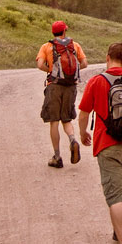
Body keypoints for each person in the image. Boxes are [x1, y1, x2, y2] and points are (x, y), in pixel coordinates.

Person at [78, 42, 122, 244]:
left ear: (107, 57)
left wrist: (83, 133)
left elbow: (84, 113)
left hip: (106, 143)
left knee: (114, 196)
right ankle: (119, 230)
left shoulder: (96, 81)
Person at [36, 20, 88, 168]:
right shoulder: (75, 45)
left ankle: (57, 157)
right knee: (66, 119)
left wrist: (52, 71)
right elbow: (84, 63)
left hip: (54, 86)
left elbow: (40, 65)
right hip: (70, 86)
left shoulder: (47, 46)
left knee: (54, 121)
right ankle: (72, 140)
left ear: (53, 32)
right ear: (65, 31)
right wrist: (70, 73)